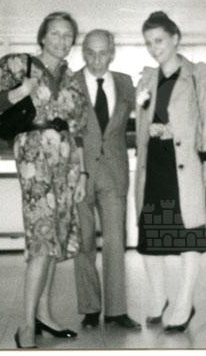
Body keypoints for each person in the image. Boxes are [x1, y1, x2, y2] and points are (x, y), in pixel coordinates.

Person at [0, 11, 89, 349]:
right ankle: (26, 325)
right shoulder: (17, 64)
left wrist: (82, 173)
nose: (61, 40)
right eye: (55, 33)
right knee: (42, 237)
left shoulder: (71, 77)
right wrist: (19, 92)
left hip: (66, 163)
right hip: (34, 158)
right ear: (42, 36)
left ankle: (44, 315)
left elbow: (78, 129)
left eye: (68, 35)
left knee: (55, 237)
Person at [134, 11, 206, 333]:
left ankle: (184, 302)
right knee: (151, 234)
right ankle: (159, 297)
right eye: (148, 43)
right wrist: (153, 130)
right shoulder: (147, 79)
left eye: (159, 40)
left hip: (185, 165)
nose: (154, 48)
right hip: (153, 165)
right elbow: (142, 121)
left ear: (175, 39)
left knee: (189, 234)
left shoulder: (199, 74)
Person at [72, 29, 140, 330]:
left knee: (115, 241)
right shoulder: (70, 82)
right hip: (79, 173)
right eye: (90, 53)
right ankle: (90, 308)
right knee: (83, 242)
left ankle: (116, 310)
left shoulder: (126, 83)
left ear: (111, 52)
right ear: (83, 52)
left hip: (114, 172)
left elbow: (146, 116)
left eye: (102, 53)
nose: (96, 60)